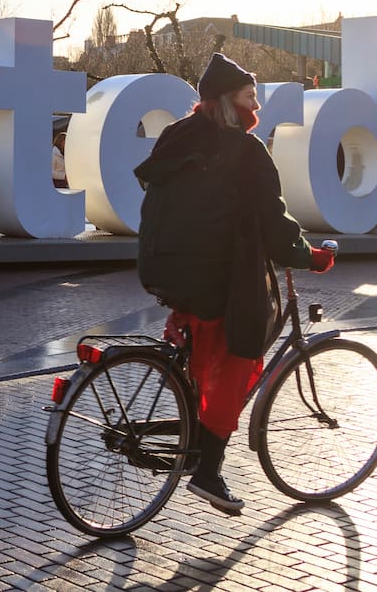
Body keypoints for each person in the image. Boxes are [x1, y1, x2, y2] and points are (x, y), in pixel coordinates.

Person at [135, 52, 335, 516]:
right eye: (249, 96)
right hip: (214, 277)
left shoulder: (176, 135)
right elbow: (274, 219)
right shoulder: (245, 150)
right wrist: (309, 256)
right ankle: (208, 471)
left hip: (163, 265)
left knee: (202, 346)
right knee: (239, 361)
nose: (256, 107)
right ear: (227, 99)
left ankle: (192, 433)